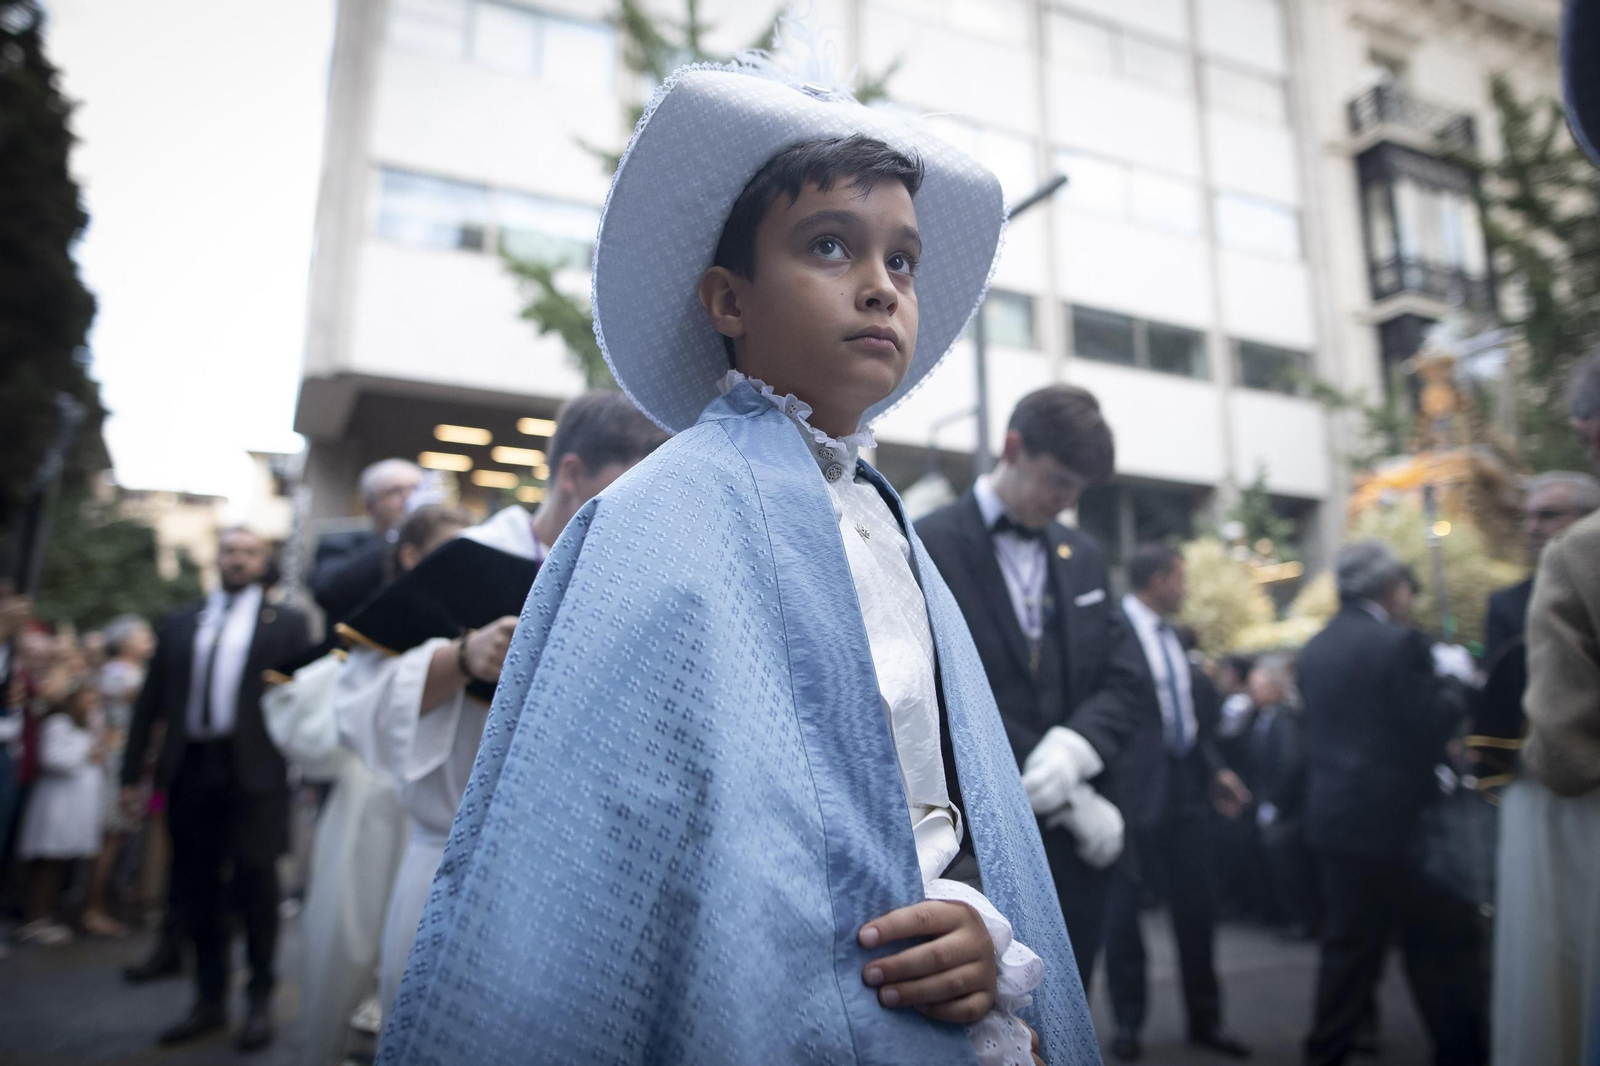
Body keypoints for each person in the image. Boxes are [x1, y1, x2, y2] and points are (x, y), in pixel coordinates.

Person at [375, 49, 1094, 1066]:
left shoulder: (893, 525)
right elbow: (592, 864)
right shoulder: (648, 523)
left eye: (902, 260)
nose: (881, 288)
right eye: (831, 245)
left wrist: (979, 920)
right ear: (728, 298)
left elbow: (943, 785)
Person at [336, 391, 665, 1018]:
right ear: (570, 474)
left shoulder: (633, 575)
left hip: (579, 885)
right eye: (620, 491)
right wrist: (459, 658)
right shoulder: (466, 559)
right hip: (453, 872)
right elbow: (353, 706)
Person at [916, 384, 1148, 991]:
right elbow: (934, 695)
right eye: (1058, 482)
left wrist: (1077, 748)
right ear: (1013, 448)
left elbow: (1125, 678)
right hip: (984, 849)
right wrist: (1061, 792)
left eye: (1078, 491)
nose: (1066, 502)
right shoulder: (924, 543)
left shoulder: (1085, 555)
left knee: (1076, 1001)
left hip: (1080, 855)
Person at [267, 503, 471, 1066]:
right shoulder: (378, 624)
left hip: (442, 819)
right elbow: (322, 720)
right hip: (373, 808)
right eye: (453, 550)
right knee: (351, 936)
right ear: (409, 555)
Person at [120, 527, 313, 1051]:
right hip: (191, 769)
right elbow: (150, 702)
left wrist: (313, 770)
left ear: (262, 562)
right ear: (218, 559)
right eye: (230, 551)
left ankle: (259, 1000)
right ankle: (207, 1001)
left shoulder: (288, 623)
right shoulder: (183, 621)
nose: (238, 560)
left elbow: (308, 699)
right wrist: (130, 772)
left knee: (256, 883)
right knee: (194, 885)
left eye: (249, 552)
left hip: (256, 771)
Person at [1298, 542, 1484, 1066]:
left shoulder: (1316, 646)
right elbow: (1426, 725)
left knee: (1348, 950)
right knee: (1437, 948)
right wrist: (1454, 682)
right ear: (1387, 586)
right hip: (1401, 822)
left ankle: (1326, 1049)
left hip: (1336, 819)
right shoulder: (1400, 643)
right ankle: (1461, 1051)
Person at [1101, 545, 1252, 1061]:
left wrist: (1217, 771)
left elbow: (1188, 720)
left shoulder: (1176, 638)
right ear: (1159, 580)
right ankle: (1128, 1024)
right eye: (1180, 578)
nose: (1186, 588)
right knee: (1124, 917)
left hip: (1186, 788)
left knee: (1197, 909)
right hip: (1130, 793)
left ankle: (1206, 1021)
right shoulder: (1111, 630)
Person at [1494, 353, 1600, 1066]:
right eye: (1527, 515)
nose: (1535, 527)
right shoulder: (1508, 594)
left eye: (1549, 514)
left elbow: (1565, 751)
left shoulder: (1580, 557)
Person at [79, 614, 155, 937]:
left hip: (130, 761)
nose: (150, 639)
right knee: (111, 836)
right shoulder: (120, 675)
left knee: (119, 836)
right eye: (143, 634)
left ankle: (104, 902)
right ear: (124, 642)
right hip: (117, 762)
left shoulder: (133, 674)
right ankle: (91, 908)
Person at [15, 677, 104, 945]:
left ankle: (46, 916)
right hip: (57, 805)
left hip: (74, 805)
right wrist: (85, 752)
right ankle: (35, 918)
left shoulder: (84, 725)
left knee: (60, 863)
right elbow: (53, 758)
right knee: (48, 863)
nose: (93, 705)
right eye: (88, 699)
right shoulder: (58, 724)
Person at [1238, 655, 1316, 940]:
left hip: (1288, 809)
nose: (1252, 692)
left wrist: (1275, 803)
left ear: (1275, 688)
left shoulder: (1284, 718)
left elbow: (1291, 762)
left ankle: (1301, 920)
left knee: (1287, 863)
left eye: (1257, 687)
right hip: (1269, 802)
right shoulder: (1260, 717)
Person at [311, 459, 423, 628]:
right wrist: (396, 537)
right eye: (395, 491)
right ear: (370, 506)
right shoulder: (338, 544)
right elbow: (328, 592)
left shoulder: (430, 545)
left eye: (416, 489)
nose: (409, 498)